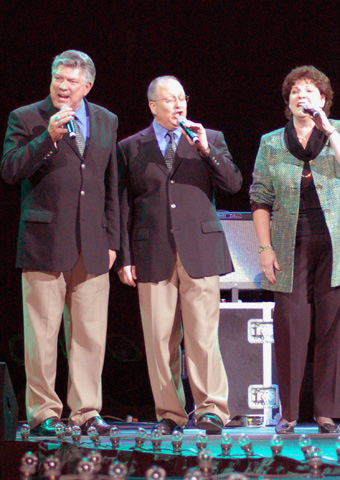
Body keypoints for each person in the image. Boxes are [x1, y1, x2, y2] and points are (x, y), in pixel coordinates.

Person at [250, 66, 340, 434]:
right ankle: (289, 412)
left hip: (338, 243)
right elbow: (260, 197)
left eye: (309, 91)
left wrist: (329, 128)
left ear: (323, 100)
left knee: (333, 329)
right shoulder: (272, 142)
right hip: (291, 243)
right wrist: (265, 247)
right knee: (291, 326)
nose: (301, 96)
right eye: (295, 91)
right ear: (287, 100)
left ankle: (325, 411)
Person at [1, 50, 118, 436]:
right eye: (58, 79)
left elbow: (110, 185)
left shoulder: (106, 120)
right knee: (42, 335)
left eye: (71, 81)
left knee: (88, 334)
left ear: (87, 86)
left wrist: (113, 238)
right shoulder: (27, 117)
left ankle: (86, 411)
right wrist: (48, 139)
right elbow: (11, 170)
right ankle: (44, 412)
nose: (63, 87)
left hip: (93, 243)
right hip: (43, 241)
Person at [116, 76, 241, 435]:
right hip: (151, 250)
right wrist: (125, 255)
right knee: (159, 340)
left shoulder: (210, 138)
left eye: (182, 98)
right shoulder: (130, 147)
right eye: (169, 100)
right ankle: (169, 413)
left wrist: (205, 150)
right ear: (152, 106)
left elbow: (232, 183)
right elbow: (124, 205)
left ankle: (212, 410)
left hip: (199, 250)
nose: (178, 106)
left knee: (203, 335)